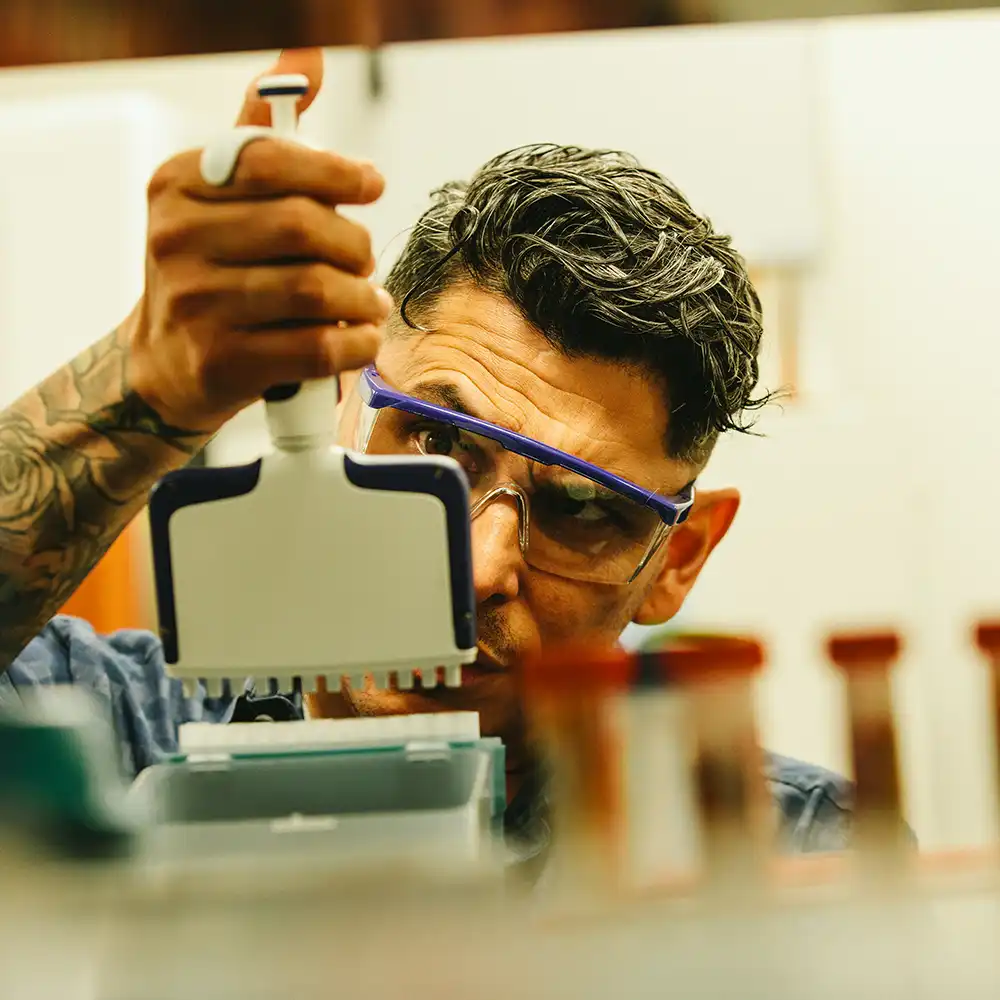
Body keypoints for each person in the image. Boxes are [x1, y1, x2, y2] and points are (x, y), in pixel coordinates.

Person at [0, 48, 851, 867]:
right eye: (439, 443)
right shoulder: (98, 735)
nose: (481, 571)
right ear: (342, 405)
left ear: (680, 559)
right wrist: (140, 386)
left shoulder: (786, 851)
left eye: (585, 509)